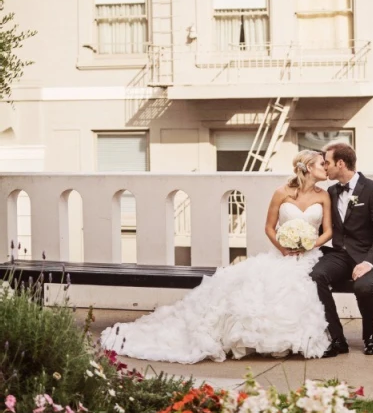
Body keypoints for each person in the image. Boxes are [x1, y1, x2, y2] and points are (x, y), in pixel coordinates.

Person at [100, 150, 332, 363]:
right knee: (254, 288)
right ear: (309, 167)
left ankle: (288, 340)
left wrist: (310, 244)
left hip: (309, 256)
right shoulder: (281, 193)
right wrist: (283, 248)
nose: (327, 167)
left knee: (295, 287)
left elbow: (329, 231)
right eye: (323, 164)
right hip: (281, 254)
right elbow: (269, 227)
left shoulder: (324, 196)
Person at [311, 141, 373, 357]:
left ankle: (369, 337)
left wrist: (368, 262)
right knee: (316, 276)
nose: (325, 166)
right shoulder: (330, 191)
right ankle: (337, 338)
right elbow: (323, 226)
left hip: (369, 256)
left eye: (327, 162)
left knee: (364, 288)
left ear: (340, 163)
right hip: (340, 255)